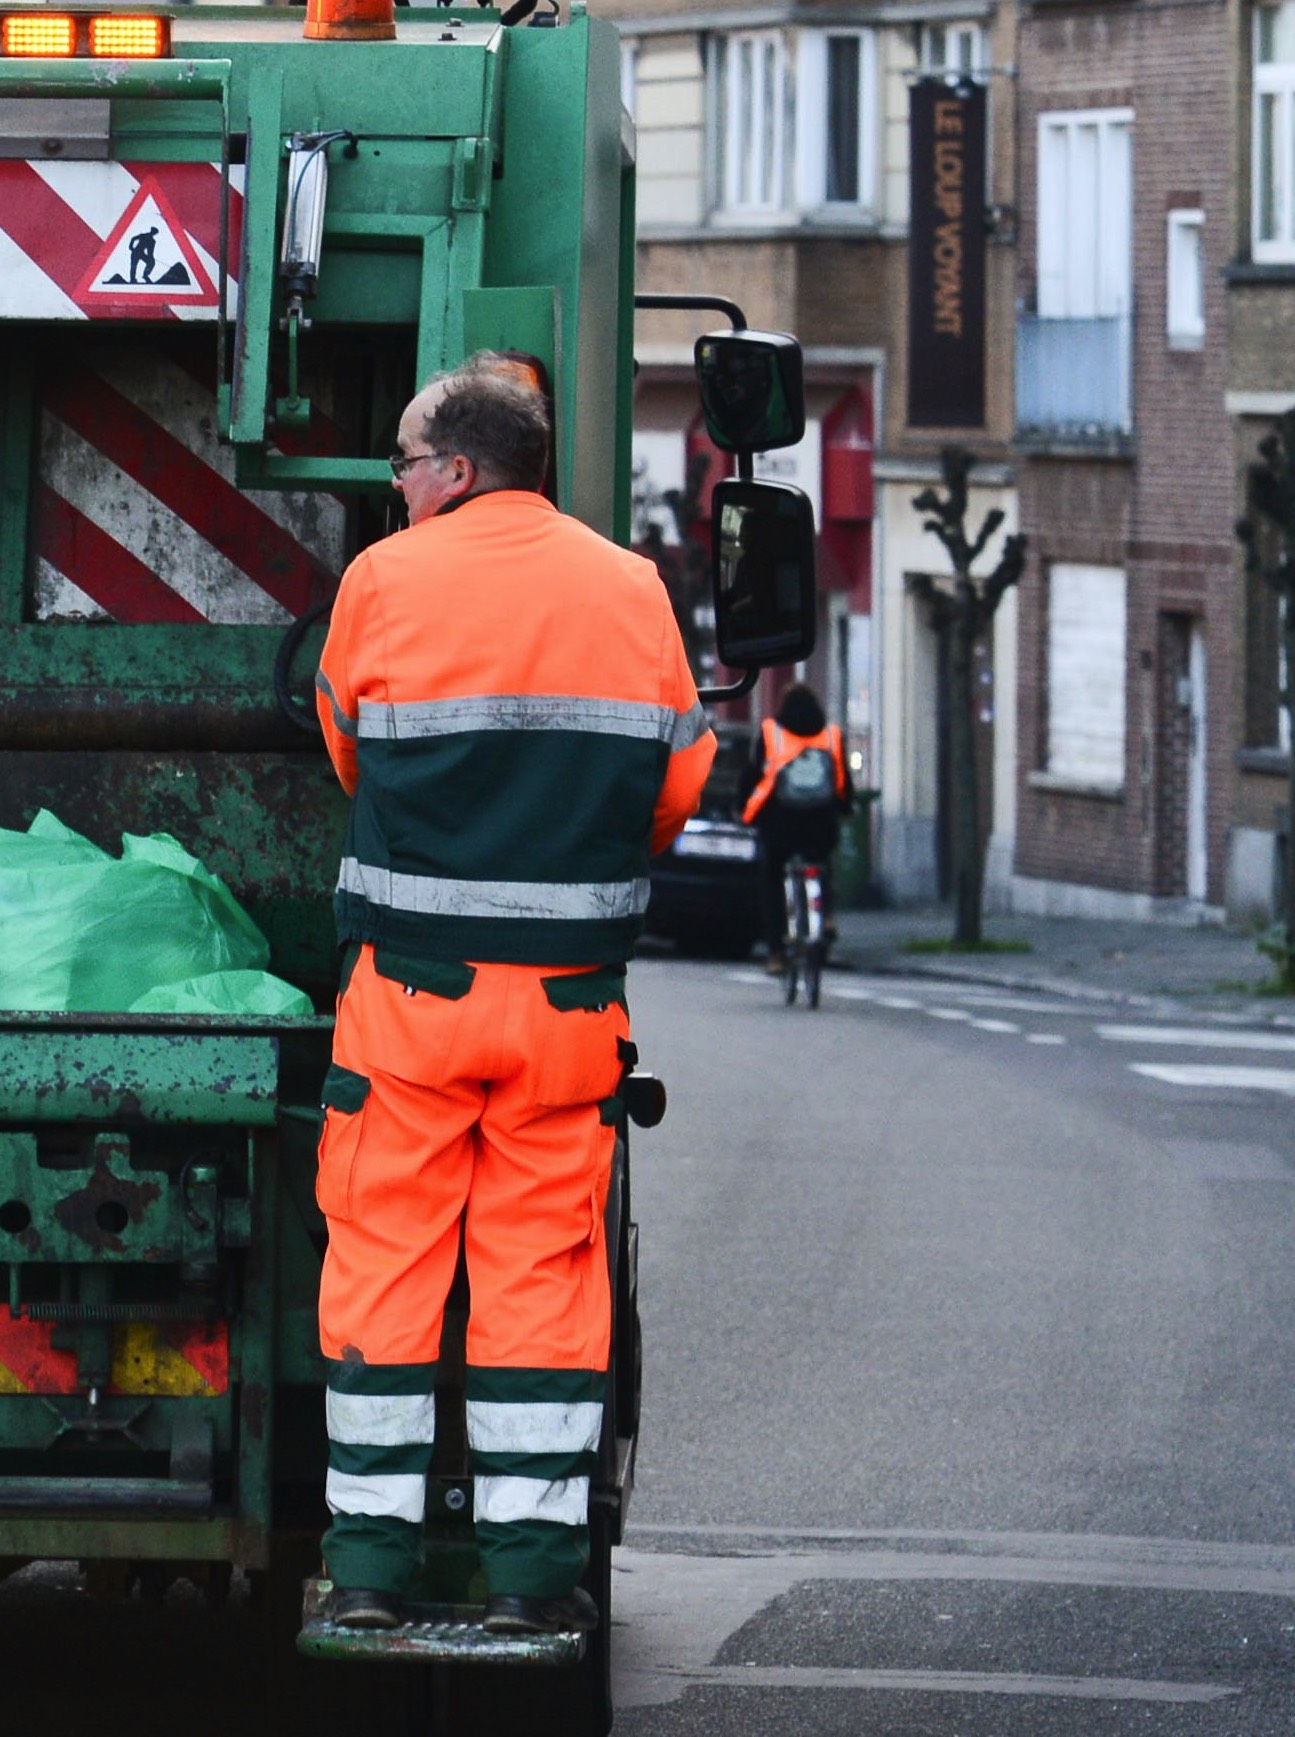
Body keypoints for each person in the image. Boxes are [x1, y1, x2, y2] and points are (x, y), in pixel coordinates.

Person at [309, 357, 713, 1636]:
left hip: (412, 1001)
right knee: (541, 1274)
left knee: (386, 1259)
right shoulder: (633, 588)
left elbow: (341, 736)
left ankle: (369, 1571)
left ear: (459, 471)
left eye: (405, 466)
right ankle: (533, 1585)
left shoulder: (385, 578)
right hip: (567, 1015)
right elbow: (678, 781)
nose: (398, 487)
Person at [742, 683, 849, 972]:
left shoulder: (770, 733)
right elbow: (841, 781)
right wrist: (845, 809)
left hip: (781, 824)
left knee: (773, 881)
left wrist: (746, 811)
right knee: (822, 862)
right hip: (820, 822)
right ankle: (825, 917)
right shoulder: (831, 735)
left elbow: (754, 777)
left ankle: (776, 952)